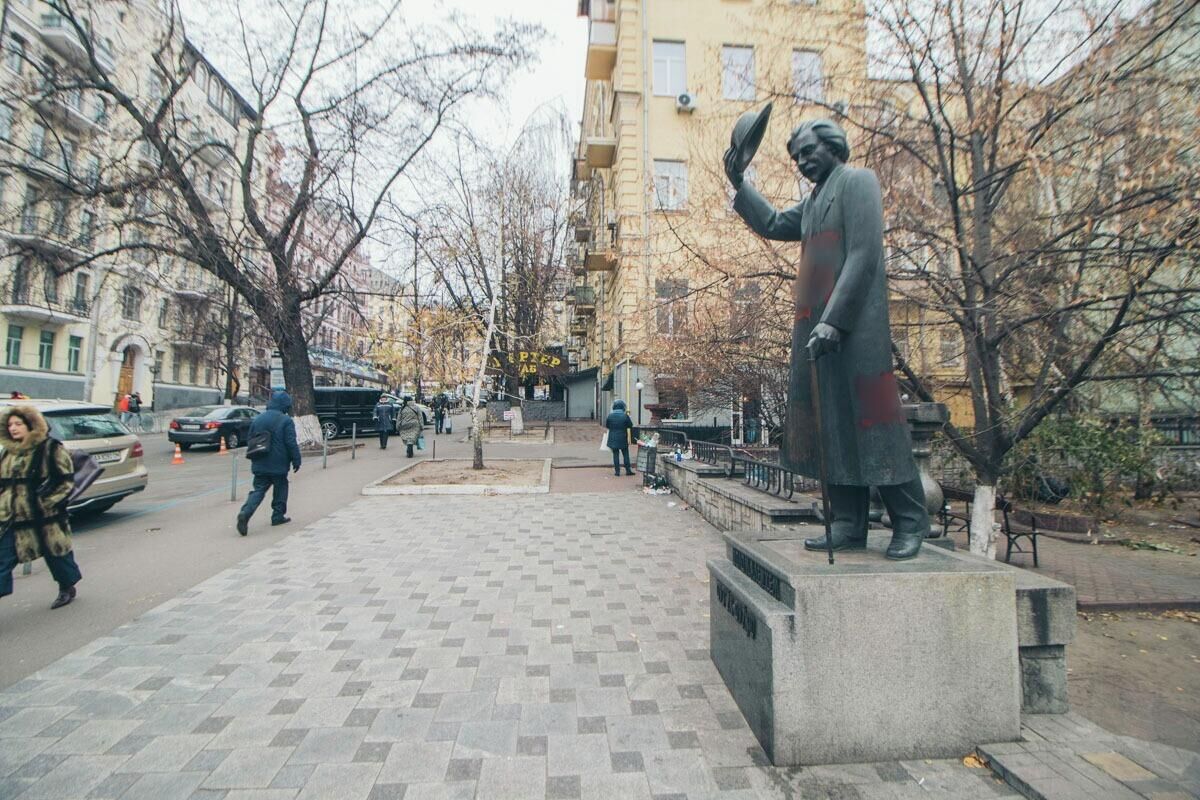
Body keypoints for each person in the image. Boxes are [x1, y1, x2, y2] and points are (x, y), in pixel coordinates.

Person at [725, 116, 929, 560]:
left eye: (808, 151)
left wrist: (835, 320)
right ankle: (849, 524)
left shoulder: (857, 182)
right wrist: (739, 182)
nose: (801, 162)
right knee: (833, 425)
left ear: (833, 146)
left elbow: (863, 254)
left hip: (855, 329)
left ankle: (911, 521)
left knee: (877, 424)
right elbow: (776, 222)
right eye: (796, 156)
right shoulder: (815, 201)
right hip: (816, 328)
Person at [0, 405, 83, 609]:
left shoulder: (50, 448)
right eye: (10, 424)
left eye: (18, 424)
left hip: (46, 517)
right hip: (12, 518)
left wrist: (46, 503)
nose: (13, 428)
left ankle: (67, 587)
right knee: (3, 559)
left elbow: (66, 482)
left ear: (31, 425)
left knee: (57, 554)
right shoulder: (8, 452)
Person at [236, 390, 301, 536]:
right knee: (281, 487)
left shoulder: (258, 419)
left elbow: (250, 439)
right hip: (279, 462)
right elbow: (291, 443)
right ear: (285, 406)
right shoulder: (286, 421)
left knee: (258, 489)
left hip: (259, 459)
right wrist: (296, 460)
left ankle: (245, 512)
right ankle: (277, 516)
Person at [604, 399, 635, 477]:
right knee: (625, 454)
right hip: (623, 437)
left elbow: (607, 426)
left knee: (615, 454)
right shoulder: (625, 416)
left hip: (613, 437)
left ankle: (617, 472)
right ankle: (628, 470)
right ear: (623, 407)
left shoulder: (610, 415)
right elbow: (630, 425)